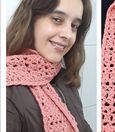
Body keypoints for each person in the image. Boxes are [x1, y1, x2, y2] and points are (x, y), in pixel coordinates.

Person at [6, 0, 93, 131]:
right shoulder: (7, 93)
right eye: (57, 19)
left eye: (74, 26)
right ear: (30, 19)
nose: (68, 35)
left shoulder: (64, 77)